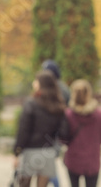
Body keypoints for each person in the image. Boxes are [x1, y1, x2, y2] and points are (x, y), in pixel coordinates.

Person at [13, 70, 68, 187]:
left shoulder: (31, 103)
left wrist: (17, 152)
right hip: (48, 152)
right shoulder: (59, 105)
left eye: (36, 81)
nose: (34, 83)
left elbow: (23, 131)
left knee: (23, 184)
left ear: (41, 84)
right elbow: (64, 132)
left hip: (29, 152)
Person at [63, 79, 101, 187]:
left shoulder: (68, 114)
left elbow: (63, 138)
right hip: (92, 161)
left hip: (73, 160)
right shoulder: (98, 115)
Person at [41, 59, 69, 187]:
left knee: (48, 166)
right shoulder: (59, 88)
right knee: (47, 165)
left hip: (53, 135)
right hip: (52, 135)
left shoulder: (59, 90)